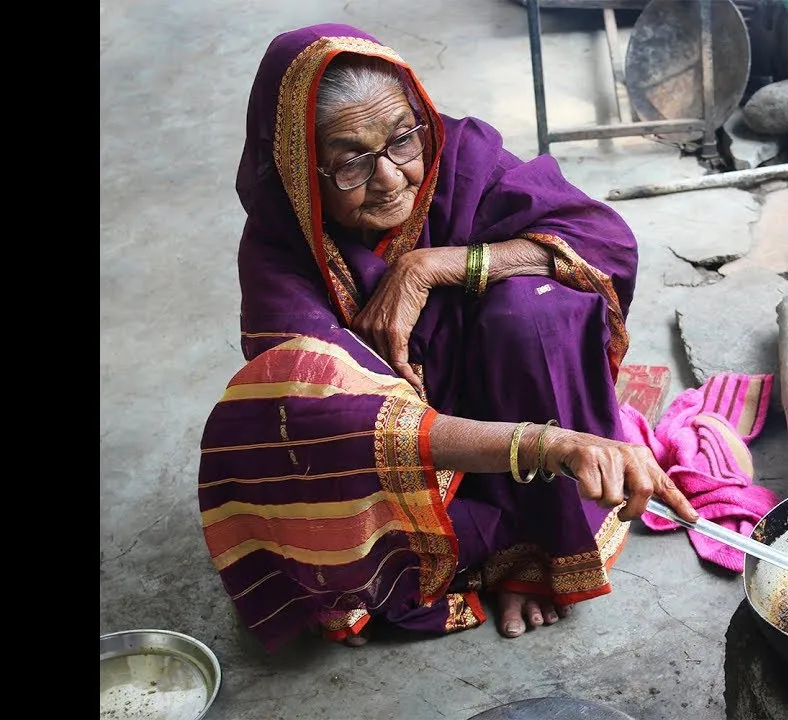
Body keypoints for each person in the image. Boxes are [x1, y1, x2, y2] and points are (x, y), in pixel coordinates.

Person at [197, 23, 699, 653]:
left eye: (401, 139)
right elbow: (326, 422)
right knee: (316, 478)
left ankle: (539, 543)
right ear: (300, 166)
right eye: (351, 160)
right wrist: (550, 445)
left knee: (535, 312)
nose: (390, 177)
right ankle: (491, 532)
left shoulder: (455, 153)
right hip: (404, 457)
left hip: (503, 404)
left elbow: (601, 238)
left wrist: (433, 265)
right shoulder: (282, 249)